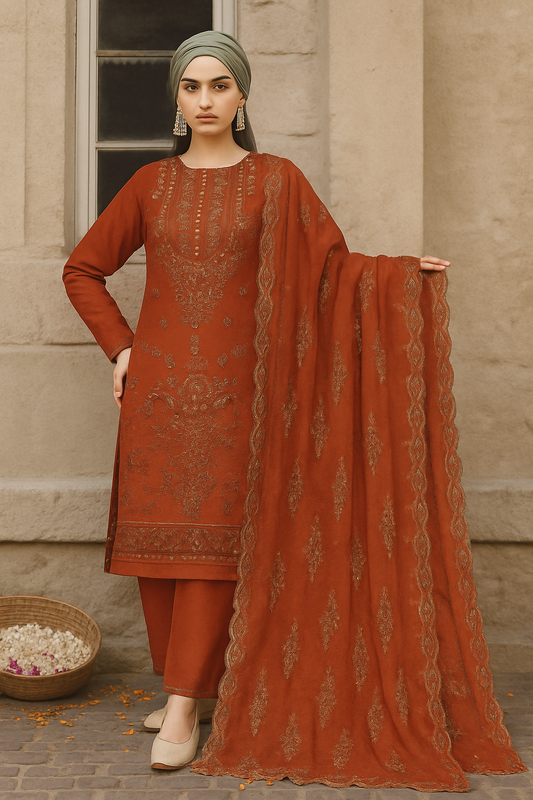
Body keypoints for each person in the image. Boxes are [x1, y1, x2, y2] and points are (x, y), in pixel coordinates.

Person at [63, 31, 525, 790]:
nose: (205, 100)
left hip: (246, 398)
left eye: (219, 86)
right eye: (192, 88)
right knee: (158, 549)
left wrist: (397, 276)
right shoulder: (148, 184)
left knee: (215, 550)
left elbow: (329, 273)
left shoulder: (276, 181)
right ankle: (198, 687)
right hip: (158, 400)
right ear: (176, 100)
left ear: (243, 97)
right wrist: (122, 349)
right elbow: (83, 269)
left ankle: (180, 707)